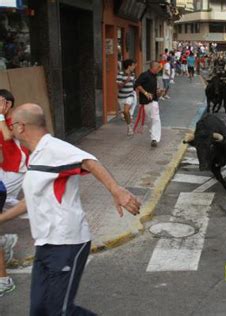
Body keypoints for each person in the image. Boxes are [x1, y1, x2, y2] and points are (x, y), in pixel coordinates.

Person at [0, 103, 141, 314]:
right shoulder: (36, 155)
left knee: (60, 311)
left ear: (20, 127)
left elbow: (89, 161)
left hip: (67, 243)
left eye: (11, 125)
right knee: (39, 310)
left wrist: (116, 190)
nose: (9, 130)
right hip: (45, 244)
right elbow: (29, 202)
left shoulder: (54, 148)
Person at [0, 89, 29, 209]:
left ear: (8, 104)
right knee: (4, 198)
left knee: (4, 198)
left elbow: (7, 136)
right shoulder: (1, 121)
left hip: (17, 167)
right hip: (4, 166)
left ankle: (35, 212)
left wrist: (0, 115)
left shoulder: (17, 120)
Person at [134, 61, 164, 147]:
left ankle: (154, 139)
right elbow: (137, 84)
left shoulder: (155, 76)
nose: (159, 69)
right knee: (150, 121)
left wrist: (159, 92)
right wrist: (146, 93)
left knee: (156, 119)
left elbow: (154, 90)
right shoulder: (144, 75)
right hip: (145, 102)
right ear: (153, 67)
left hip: (154, 102)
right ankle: (153, 137)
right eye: (158, 67)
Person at [116, 59, 137, 136]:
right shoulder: (120, 74)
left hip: (130, 95)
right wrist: (125, 82)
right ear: (129, 66)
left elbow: (134, 85)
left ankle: (129, 127)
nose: (134, 67)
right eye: (133, 65)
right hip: (121, 97)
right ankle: (129, 124)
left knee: (125, 111)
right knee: (125, 114)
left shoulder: (133, 74)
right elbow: (118, 87)